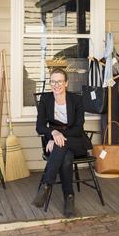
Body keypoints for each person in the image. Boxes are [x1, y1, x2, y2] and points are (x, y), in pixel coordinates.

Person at [32, 68, 90, 217]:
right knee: (66, 157)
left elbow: (78, 129)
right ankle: (69, 198)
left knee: (61, 146)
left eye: (59, 81)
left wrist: (56, 138)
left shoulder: (76, 100)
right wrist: (53, 133)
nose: (56, 85)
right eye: (53, 81)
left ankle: (46, 185)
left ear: (66, 83)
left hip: (76, 141)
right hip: (60, 145)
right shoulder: (46, 99)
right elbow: (39, 127)